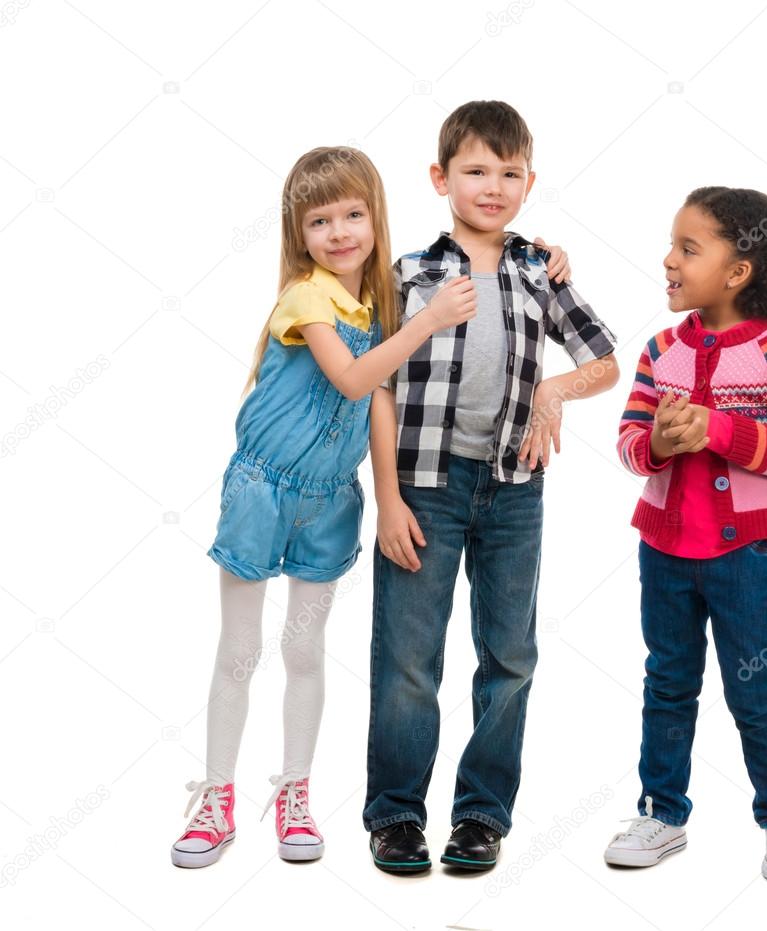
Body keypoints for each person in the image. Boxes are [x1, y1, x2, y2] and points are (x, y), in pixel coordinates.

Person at [170, 145, 480, 867]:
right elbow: (351, 379)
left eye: (352, 214)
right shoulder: (308, 297)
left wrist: (549, 256)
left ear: (375, 216)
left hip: (330, 499)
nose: (339, 232)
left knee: (304, 649)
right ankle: (217, 796)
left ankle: (294, 792)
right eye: (319, 220)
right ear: (298, 232)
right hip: (263, 491)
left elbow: (380, 399)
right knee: (240, 649)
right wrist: (426, 324)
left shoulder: (381, 301)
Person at [363, 100, 619, 874]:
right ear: (440, 178)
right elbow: (375, 385)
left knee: (509, 655)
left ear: (529, 183)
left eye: (510, 174)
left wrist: (553, 391)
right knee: (408, 657)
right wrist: (387, 498)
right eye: (475, 170)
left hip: (513, 490)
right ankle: (396, 814)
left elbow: (605, 360)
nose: (493, 186)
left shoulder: (541, 270)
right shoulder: (408, 274)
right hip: (424, 485)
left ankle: (480, 813)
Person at [605, 186, 767, 883]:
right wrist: (660, 441)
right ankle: (661, 812)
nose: (668, 260)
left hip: (748, 555)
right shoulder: (660, 350)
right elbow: (629, 445)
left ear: (737, 271)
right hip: (664, 551)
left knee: (755, 690)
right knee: (667, 683)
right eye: (671, 245)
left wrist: (715, 428)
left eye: (688, 248)